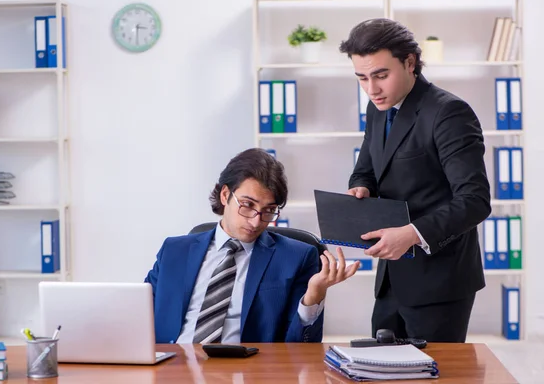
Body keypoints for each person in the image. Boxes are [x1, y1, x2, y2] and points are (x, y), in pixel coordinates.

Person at [339, 18, 491, 343]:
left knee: (432, 374)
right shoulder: (378, 108)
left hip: (439, 279)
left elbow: (474, 201)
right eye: (362, 78)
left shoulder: (449, 113)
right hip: (391, 278)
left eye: (381, 75)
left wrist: (411, 234)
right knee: (381, 369)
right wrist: (360, 187)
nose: (371, 88)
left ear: (410, 62)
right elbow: (365, 168)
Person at [145, 148, 359, 344]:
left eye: (269, 210)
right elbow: (139, 316)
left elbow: (300, 349)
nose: (257, 221)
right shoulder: (173, 251)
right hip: (173, 367)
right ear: (225, 195)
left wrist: (314, 294)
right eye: (248, 205)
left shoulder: (296, 257)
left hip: (245, 370)